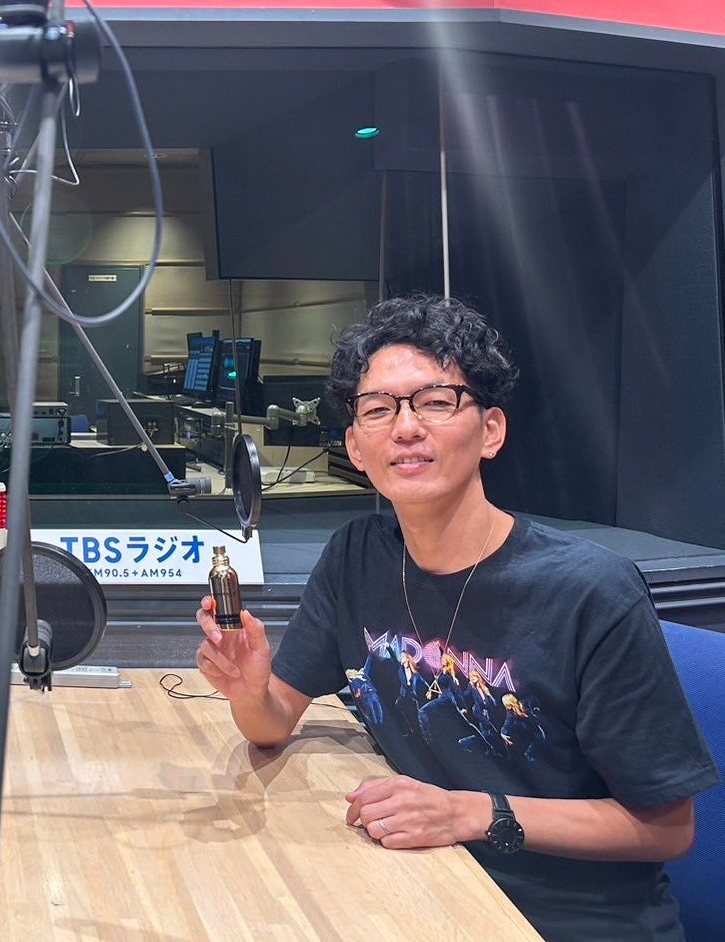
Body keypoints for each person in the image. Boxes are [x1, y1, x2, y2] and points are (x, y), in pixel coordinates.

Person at [194, 293, 718, 940]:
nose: (405, 428)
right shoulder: (356, 558)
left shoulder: (589, 590)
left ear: (490, 430)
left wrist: (471, 813)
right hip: (424, 891)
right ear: (355, 446)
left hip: (567, 920)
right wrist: (248, 689)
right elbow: (272, 722)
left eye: (435, 401)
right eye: (378, 409)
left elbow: (667, 827)